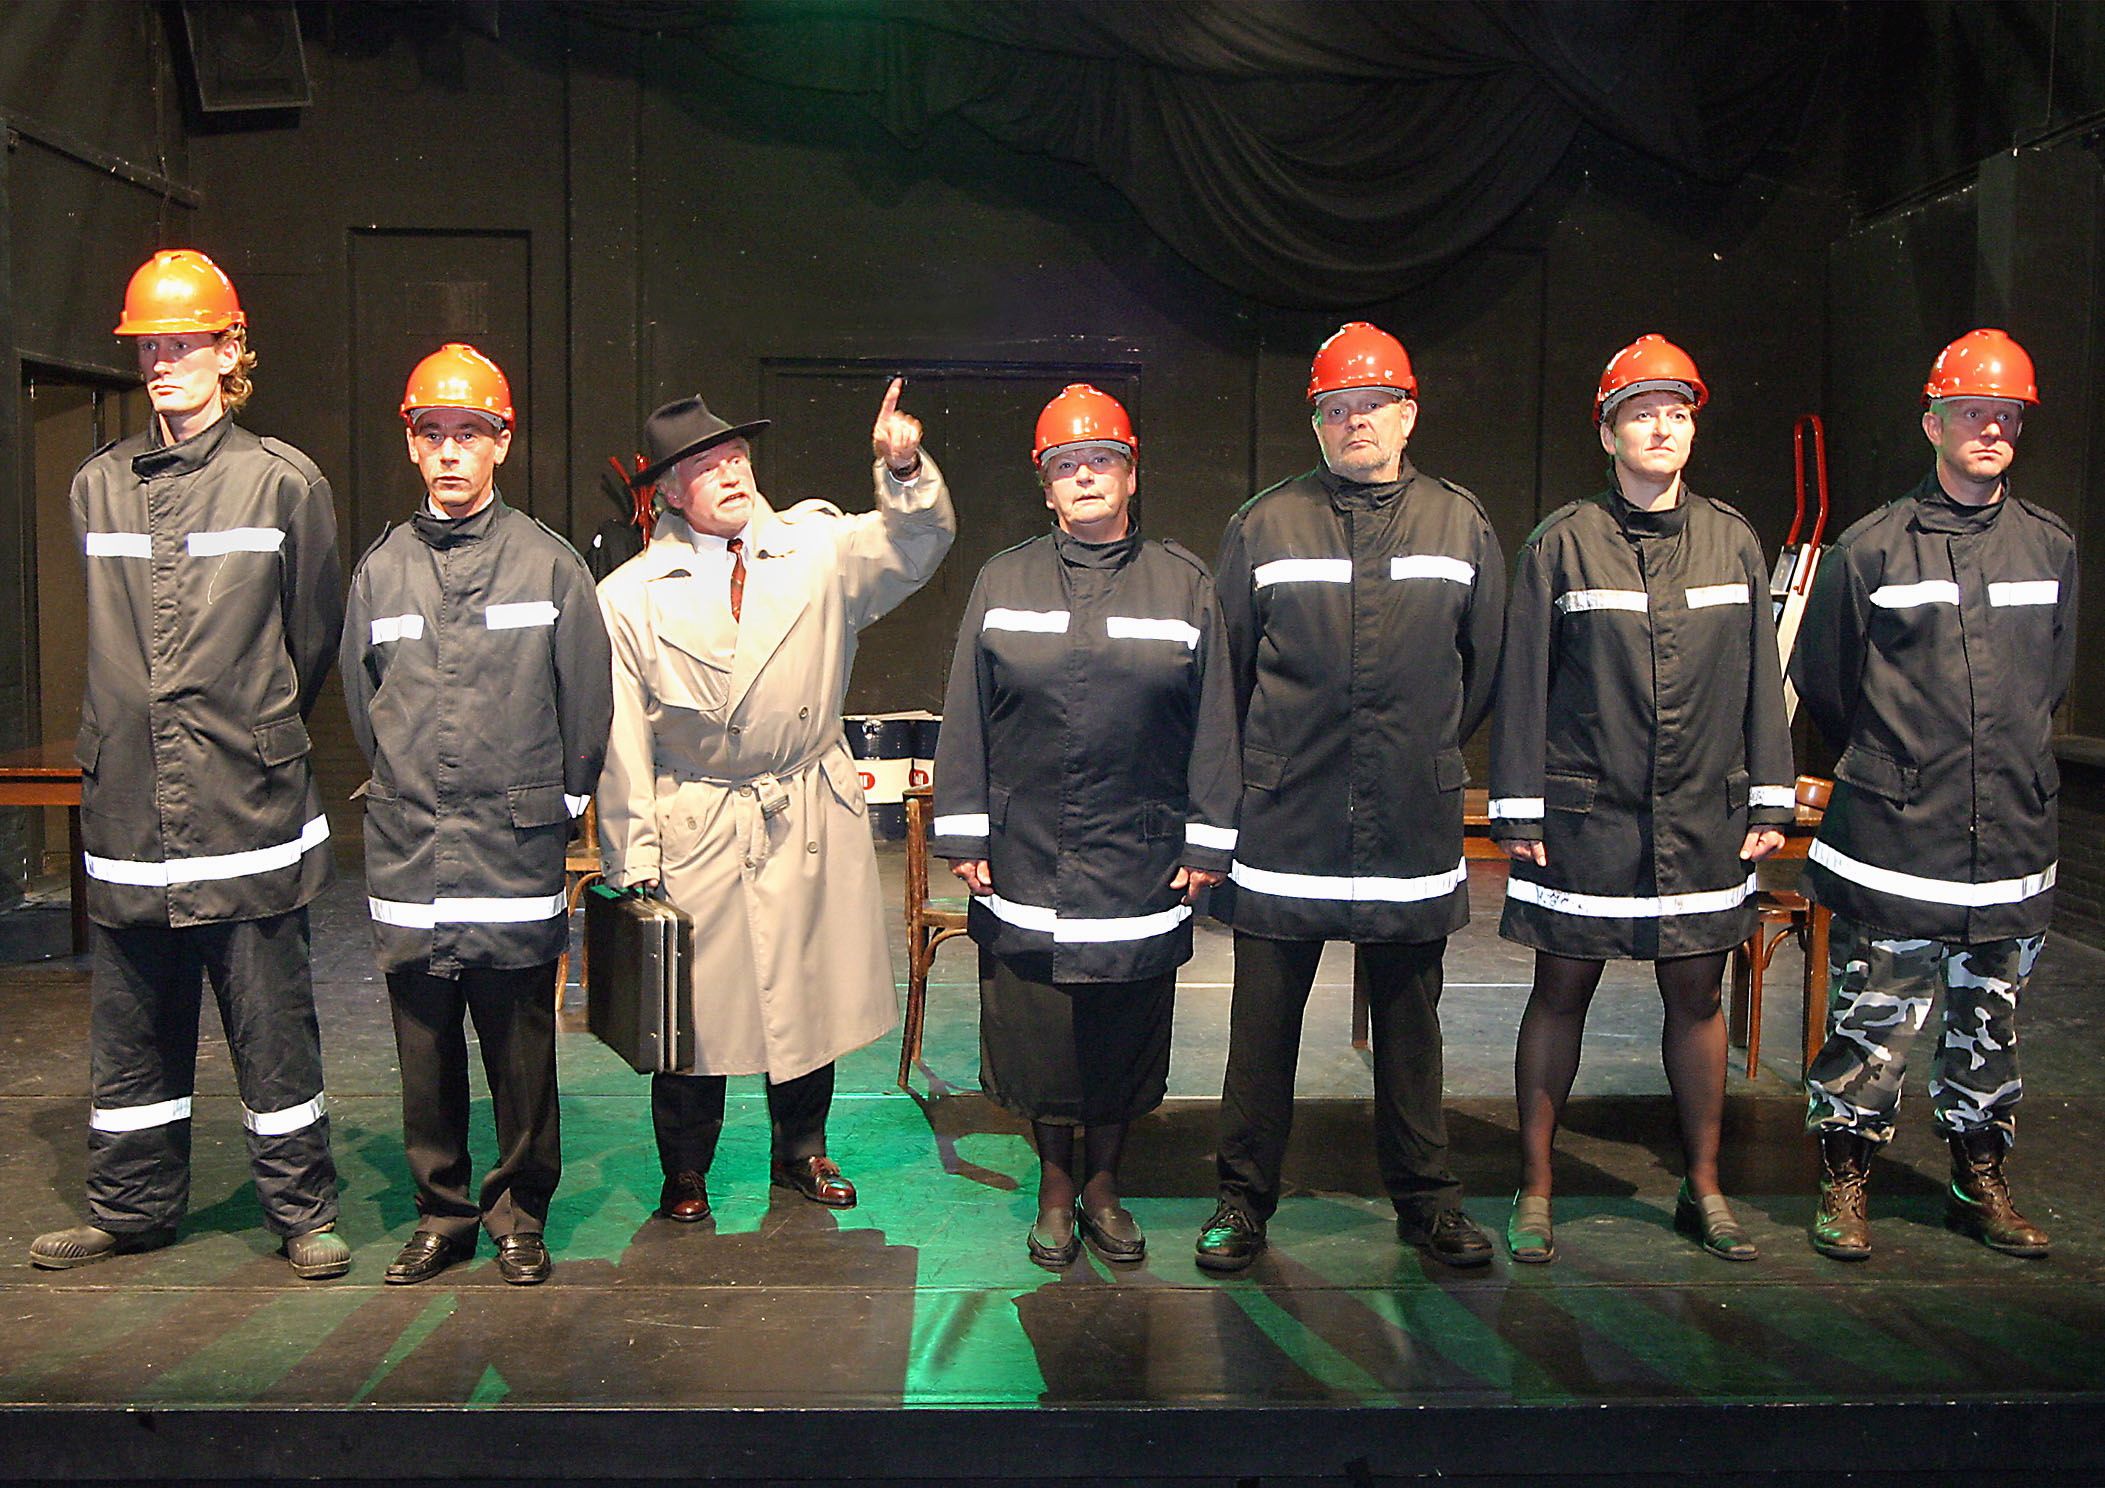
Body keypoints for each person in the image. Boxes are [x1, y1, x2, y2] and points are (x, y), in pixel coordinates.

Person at [30, 250, 348, 1278]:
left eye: (182, 342)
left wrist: (246, 724)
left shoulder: (283, 482)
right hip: (130, 802)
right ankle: (129, 1210)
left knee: (270, 1022)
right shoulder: (97, 486)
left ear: (229, 350)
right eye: (148, 346)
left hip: (242, 797)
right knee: (129, 1025)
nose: (162, 362)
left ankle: (302, 1213)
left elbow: (311, 639)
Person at [597, 380, 954, 1221]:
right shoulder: (629, 597)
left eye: (737, 457)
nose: (731, 473)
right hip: (699, 812)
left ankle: (803, 1149)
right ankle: (686, 1168)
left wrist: (902, 470)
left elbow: (915, 543)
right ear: (669, 492)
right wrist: (633, 857)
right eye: (706, 465)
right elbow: (621, 740)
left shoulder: (816, 550)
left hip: (802, 805)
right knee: (691, 1009)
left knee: (804, 992)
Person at [1196, 323, 1507, 1272]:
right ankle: (1241, 1200)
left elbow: (1483, 666)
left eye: (1373, 404)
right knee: (1262, 1027)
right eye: (1336, 407)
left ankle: (1427, 1201)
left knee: (1411, 1026)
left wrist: (1417, 748)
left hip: (1408, 816)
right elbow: (1227, 672)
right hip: (1285, 817)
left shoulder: (1460, 524)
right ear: (1316, 423)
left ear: (1408, 414)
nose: (1354, 421)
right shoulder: (1262, 526)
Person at [1488, 335, 1795, 1264]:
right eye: (1640, 414)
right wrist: (1519, 808)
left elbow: (1761, 680)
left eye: (1676, 413)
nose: (1661, 428)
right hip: (1585, 818)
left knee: (1696, 996)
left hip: (1703, 815)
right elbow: (1522, 683)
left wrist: (1768, 800)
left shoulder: (1732, 540)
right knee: (1559, 991)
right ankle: (1535, 1188)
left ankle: (1704, 1187)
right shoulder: (1560, 543)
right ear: (1607, 433)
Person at [932, 386, 1239, 1268]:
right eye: (1066, 465)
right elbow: (967, 711)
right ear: (1046, 487)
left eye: (1101, 460)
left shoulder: (1183, 583)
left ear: (1131, 475)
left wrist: (1207, 838)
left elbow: (1214, 720)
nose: (1085, 476)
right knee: (1040, 1033)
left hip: (1140, 851)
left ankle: (1105, 1185)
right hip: (1024, 847)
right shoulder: (1004, 579)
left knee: (1121, 1028)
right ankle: (1055, 1188)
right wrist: (966, 834)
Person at [1793, 329, 2074, 1261]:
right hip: (1895, 837)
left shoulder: (2048, 546)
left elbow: (2051, 678)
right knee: (1870, 1021)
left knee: (1989, 1024)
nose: (1990, 429)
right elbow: (1826, 683)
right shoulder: (1871, 548)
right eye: (1971, 412)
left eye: (2006, 415)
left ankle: (1976, 1180)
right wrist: (1898, 765)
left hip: (2010, 839)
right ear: (1932, 422)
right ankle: (1843, 1180)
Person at [341, 344, 612, 1286]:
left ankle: (519, 1213)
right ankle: (444, 1215)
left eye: (470, 432)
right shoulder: (381, 572)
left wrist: (559, 805)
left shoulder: (548, 565)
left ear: (502, 442)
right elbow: (363, 705)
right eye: (433, 433)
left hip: (510, 847)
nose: (450, 451)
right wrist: (407, 785)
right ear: (411, 445)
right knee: (423, 1050)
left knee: (520, 1046)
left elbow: (587, 703)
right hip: (411, 847)